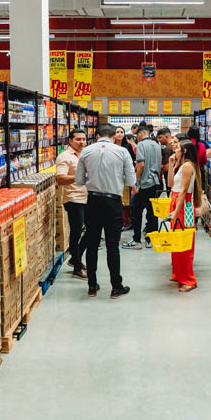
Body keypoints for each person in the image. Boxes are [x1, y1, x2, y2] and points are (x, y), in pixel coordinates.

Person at [75, 123, 136, 298]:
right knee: (112, 246)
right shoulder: (122, 152)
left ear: (97, 135)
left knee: (92, 245)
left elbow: (79, 180)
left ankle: (92, 285)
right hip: (113, 203)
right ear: (113, 136)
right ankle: (116, 286)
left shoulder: (86, 151)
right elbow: (131, 180)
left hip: (92, 201)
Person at [165, 139, 200, 292]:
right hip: (178, 203)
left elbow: (184, 192)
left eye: (177, 148)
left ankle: (189, 280)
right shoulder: (181, 165)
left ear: (184, 151)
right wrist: (172, 164)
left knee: (184, 243)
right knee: (176, 241)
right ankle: (178, 273)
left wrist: (175, 212)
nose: (175, 150)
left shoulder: (187, 167)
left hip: (185, 207)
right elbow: (170, 184)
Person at [55, 129, 88, 279]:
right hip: (73, 198)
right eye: (78, 139)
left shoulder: (86, 154)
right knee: (76, 232)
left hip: (87, 197)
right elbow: (60, 179)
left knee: (92, 229)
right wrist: (78, 177)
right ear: (70, 141)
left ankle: (76, 257)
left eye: (83, 139)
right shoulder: (64, 157)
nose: (81, 142)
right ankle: (76, 267)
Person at [122, 124, 162, 250]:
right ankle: (150, 239)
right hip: (155, 182)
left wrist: (135, 181)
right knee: (152, 212)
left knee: (136, 211)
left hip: (144, 183)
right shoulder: (157, 145)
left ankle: (136, 240)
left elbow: (141, 164)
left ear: (140, 134)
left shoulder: (141, 145)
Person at [113, 126, 135, 230]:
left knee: (125, 200)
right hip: (113, 176)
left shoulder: (128, 147)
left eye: (121, 132)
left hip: (125, 177)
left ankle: (126, 221)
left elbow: (131, 162)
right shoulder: (110, 146)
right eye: (117, 132)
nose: (119, 134)